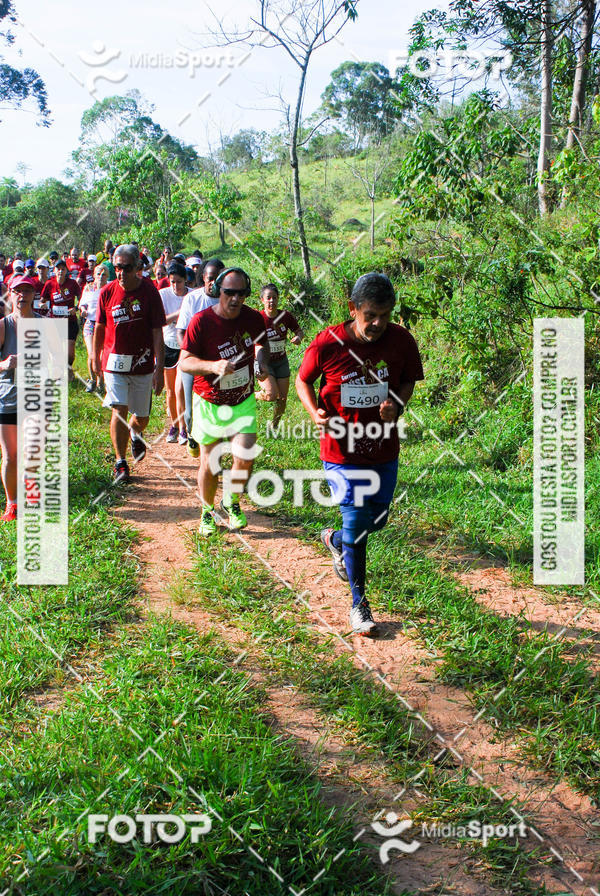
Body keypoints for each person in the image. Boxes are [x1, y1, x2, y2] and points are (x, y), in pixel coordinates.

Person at [295, 272, 424, 636]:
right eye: (370, 315)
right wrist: (313, 412)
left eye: (385, 314)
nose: (378, 323)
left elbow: (408, 380)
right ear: (353, 309)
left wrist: (396, 405)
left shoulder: (401, 341)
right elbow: (303, 379)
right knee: (356, 521)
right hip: (340, 450)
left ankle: (336, 541)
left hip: (383, 448)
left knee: (377, 521)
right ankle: (359, 604)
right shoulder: (328, 343)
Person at [179, 267, 275, 536]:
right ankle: (207, 512)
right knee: (210, 462)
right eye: (229, 293)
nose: (234, 299)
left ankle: (230, 502)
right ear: (218, 291)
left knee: (245, 456)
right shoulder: (201, 322)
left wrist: (261, 364)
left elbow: (260, 346)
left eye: (241, 293)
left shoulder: (254, 319)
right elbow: (185, 362)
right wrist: (213, 366)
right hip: (210, 401)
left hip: (242, 398)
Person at [93, 244, 165, 483]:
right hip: (114, 363)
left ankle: (136, 432)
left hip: (142, 364)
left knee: (141, 416)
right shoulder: (106, 292)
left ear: (137, 268)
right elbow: (100, 328)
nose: (121, 272)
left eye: (126, 267)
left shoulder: (150, 292)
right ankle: (120, 462)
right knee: (119, 408)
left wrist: (159, 368)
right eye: (117, 267)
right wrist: (94, 357)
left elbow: (157, 332)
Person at [176, 258, 224, 458]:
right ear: (203, 278)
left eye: (218, 279)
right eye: (210, 278)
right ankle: (191, 432)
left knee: (219, 409)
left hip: (219, 365)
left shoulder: (228, 300)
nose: (214, 283)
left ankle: (215, 455)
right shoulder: (192, 299)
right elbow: (181, 332)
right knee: (190, 410)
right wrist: (189, 353)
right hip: (194, 362)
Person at [0, 275, 39, 521]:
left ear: (34, 295)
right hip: (7, 398)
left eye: (26, 291)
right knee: (11, 455)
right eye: (17, 291)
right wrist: (4, 364)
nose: (22, 296)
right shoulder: (4, 326)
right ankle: (12, 503)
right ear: (10, 295)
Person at [255, 283, 304, 428]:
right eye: (268, 298)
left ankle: (274, 426)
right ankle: (252, 395)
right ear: (262, 300)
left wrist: (298, 338)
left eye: (274, 298)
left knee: (282, 399)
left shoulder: (285, 316)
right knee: (271, 395)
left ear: (278, 299)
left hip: (281, 361)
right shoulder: (258, 318)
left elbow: (299, 331)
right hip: (264, 362)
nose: (271, 301)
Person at [159, 261, 188, 443]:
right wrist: (179, 314)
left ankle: (185, 427)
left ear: (185, 281)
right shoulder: (163, 295)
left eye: (178, 282)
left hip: (186, 345)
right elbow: (160, 320)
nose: (175, 286)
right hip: (168, 344)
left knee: (183, 389)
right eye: (172, 282)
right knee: (171, 390)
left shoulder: (192, 296)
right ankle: (175, 425)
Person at [40, 258, 81, 378]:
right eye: (58, 269)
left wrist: (76, 308)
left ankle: (69, 368)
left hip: (70, 321)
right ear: (55, 270)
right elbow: (42, 300)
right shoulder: (49, 284)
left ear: (66, 271)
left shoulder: (72, 283)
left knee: (70, 352)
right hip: (55, 322)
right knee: (56, 351)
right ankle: (58, 375)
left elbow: (81, 298)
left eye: (63, 269)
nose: (60, 271)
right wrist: (43, 305)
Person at [80, 263, 107, 392]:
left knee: (101, 354)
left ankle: (101, 381)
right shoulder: (88, 288)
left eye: (103, 274)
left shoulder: (110, 288)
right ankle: (92, 379)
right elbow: (82, 304)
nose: (101, 276)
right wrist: (83, 310)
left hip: (104, 325)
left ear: (107, 276)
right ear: (94, 275)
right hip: (90, 323)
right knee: (92, 354)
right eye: (98, 274)